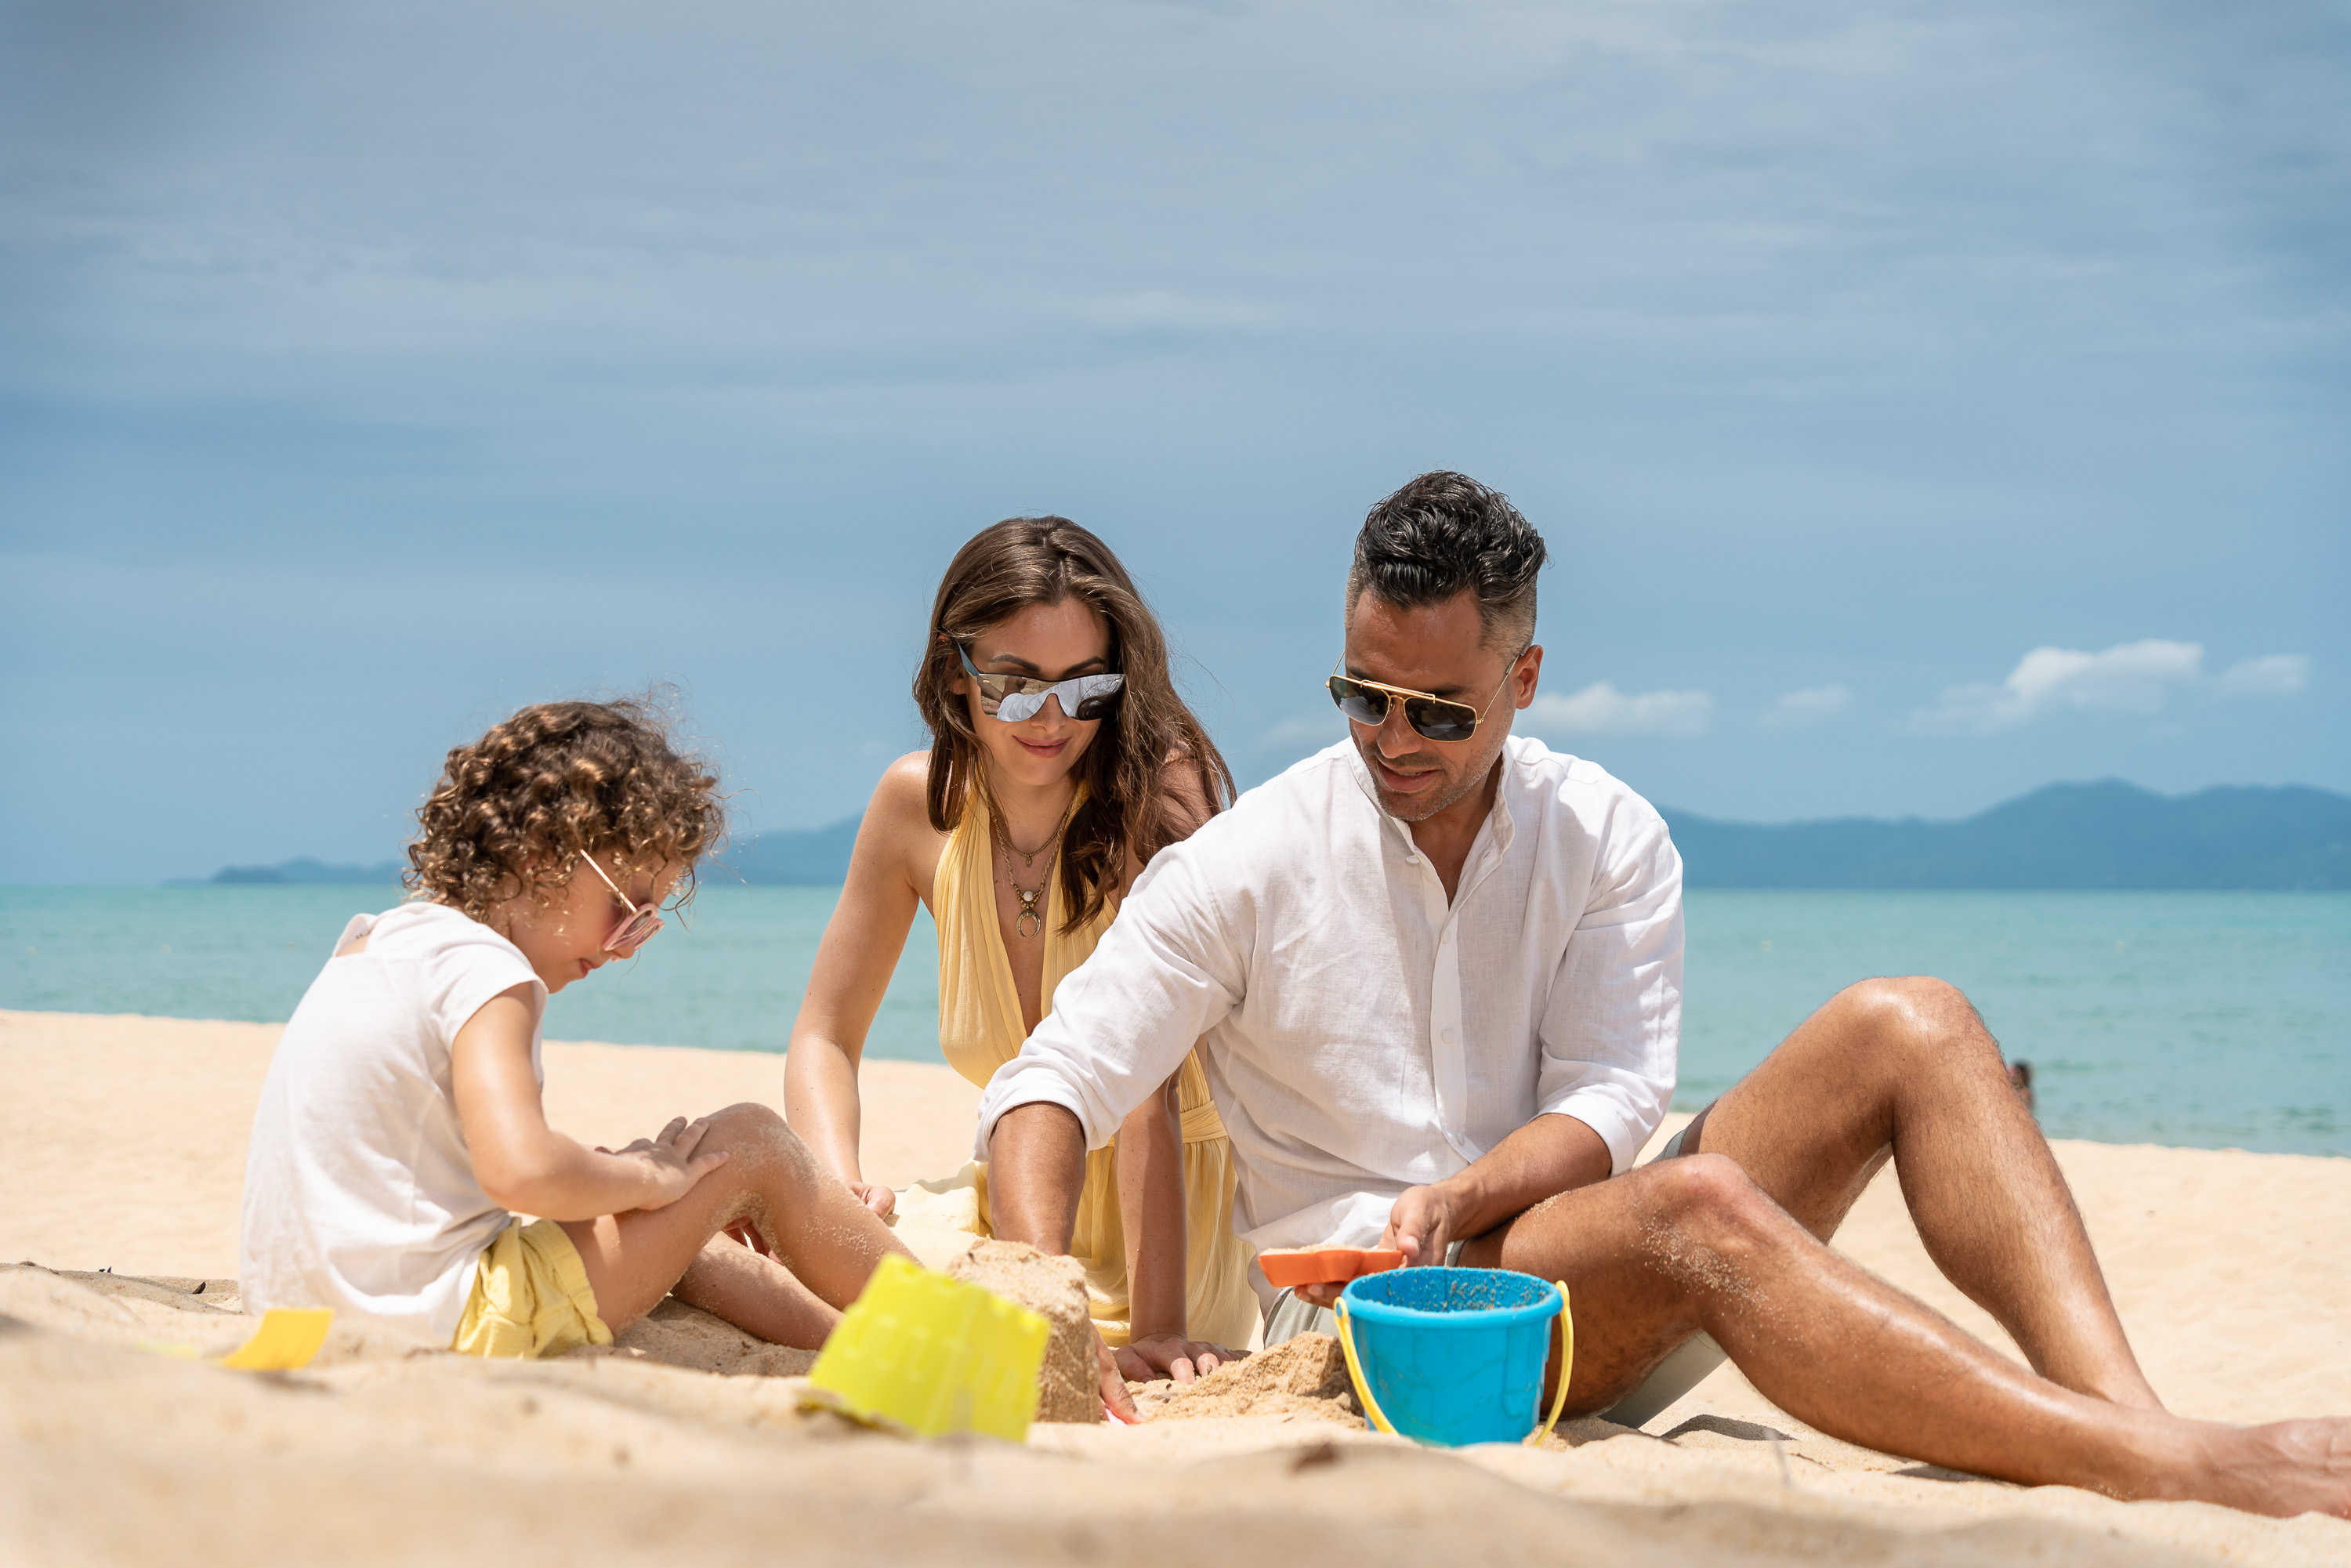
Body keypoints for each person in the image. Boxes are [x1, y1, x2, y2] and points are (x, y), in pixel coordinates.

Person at [976, 473, 2351, 1518]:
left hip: (1582, 1265)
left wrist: (1468, 1193)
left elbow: (1609, 1100)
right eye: (1363, 696)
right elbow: (1051, 1086)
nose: (1393, 739)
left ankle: (2141, 1427)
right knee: (1697, 1202)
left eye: (1439, 709)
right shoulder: (1246, 862)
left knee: (1915, 1021)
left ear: (1523, 678)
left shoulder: (1607, 833)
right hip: (1372, 1335)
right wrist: (1048, 1309)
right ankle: (2168, 1464)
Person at [241, 698, 910, 1357]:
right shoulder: (487, 972)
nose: (626, 947)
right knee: (749, 1141)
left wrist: (623, 1181)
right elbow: (522, 1168)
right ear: (543, 853)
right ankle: (944, 1324)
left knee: (680, 1221)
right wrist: (646, 1179)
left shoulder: (374, 943)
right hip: (454, 1318)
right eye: (629, 911)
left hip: (303, 1313)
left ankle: (851, 1347)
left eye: (646, 926)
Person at [783, 517, 1256, 1382]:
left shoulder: (1157, 793)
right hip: (1010, 1195)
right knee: (805, 1259)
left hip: (1166, 1238)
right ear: (953, 673)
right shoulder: (916, 807)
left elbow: (1148, 1091)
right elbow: (825, 1034)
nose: (1051, 718)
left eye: (1086, 686)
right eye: (1013, 684)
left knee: (937, 1329)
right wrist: (842, 1186)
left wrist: (1161, 1326)